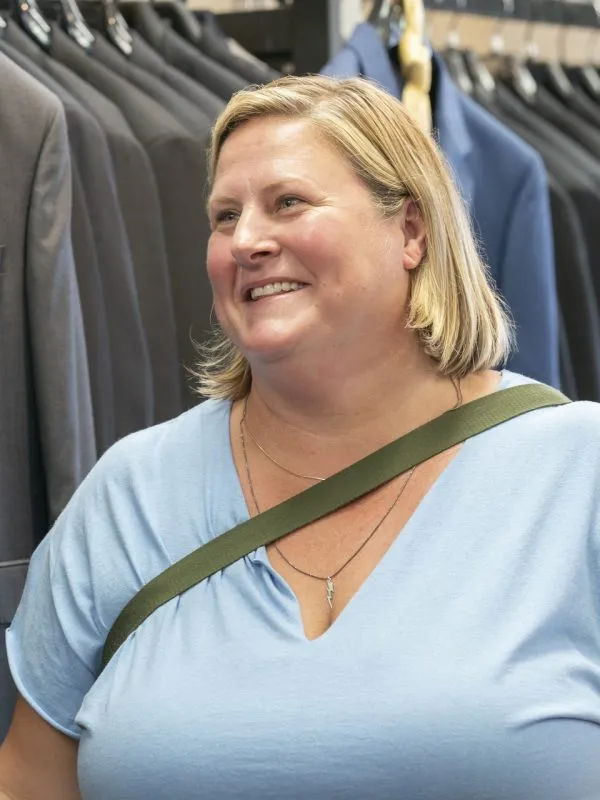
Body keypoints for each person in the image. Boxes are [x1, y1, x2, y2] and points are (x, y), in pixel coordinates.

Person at [0, 74, 599, 800]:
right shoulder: (129, 496)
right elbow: (30, 781)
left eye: (288, 202)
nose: (246, 241)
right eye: (225, 216)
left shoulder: (576, 472)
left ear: (410, 233)